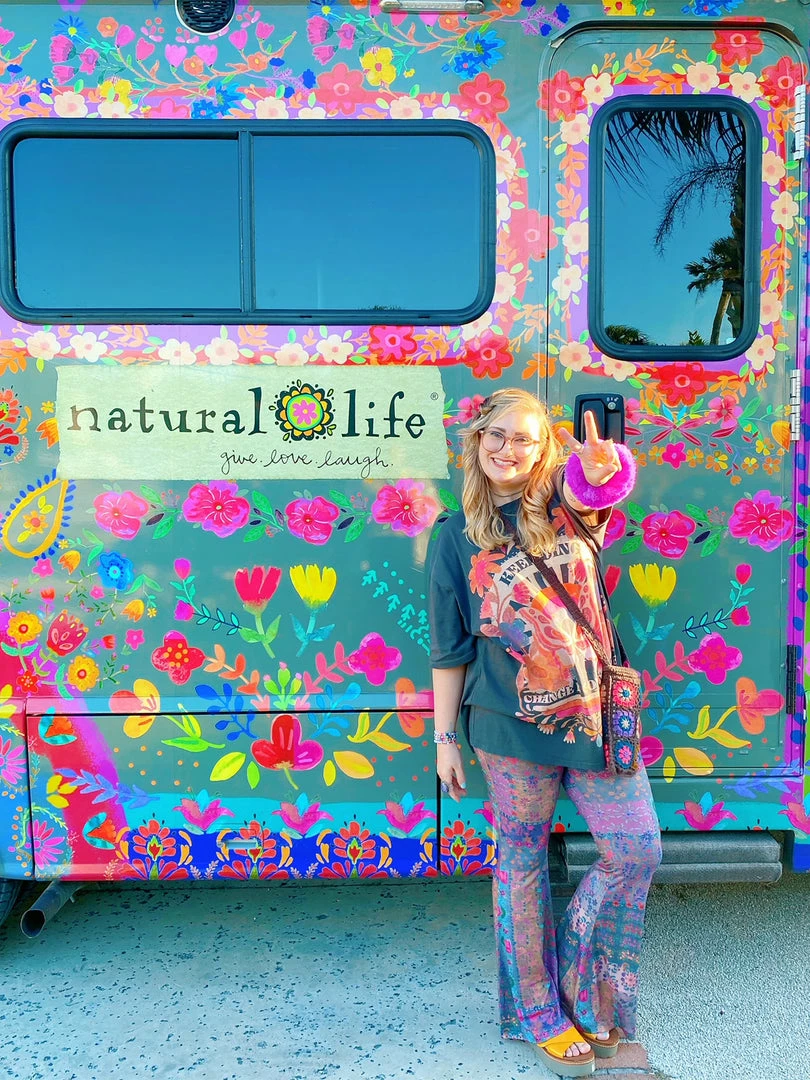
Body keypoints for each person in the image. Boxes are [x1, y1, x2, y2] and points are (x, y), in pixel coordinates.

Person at [428, 387, 662, 1078]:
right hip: (505, 729)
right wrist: (445, 740)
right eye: (496, 435)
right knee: (521, 863)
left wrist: (604, 466)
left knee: (636, 849)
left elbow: (601, 484)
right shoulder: (453, 536)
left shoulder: (568, 505)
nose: (508, 449)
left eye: (524, 439)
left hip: (594, 718)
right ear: (477, 442)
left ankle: (580, 985)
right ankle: (537, 1012)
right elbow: (449, 650)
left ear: (544, 450)